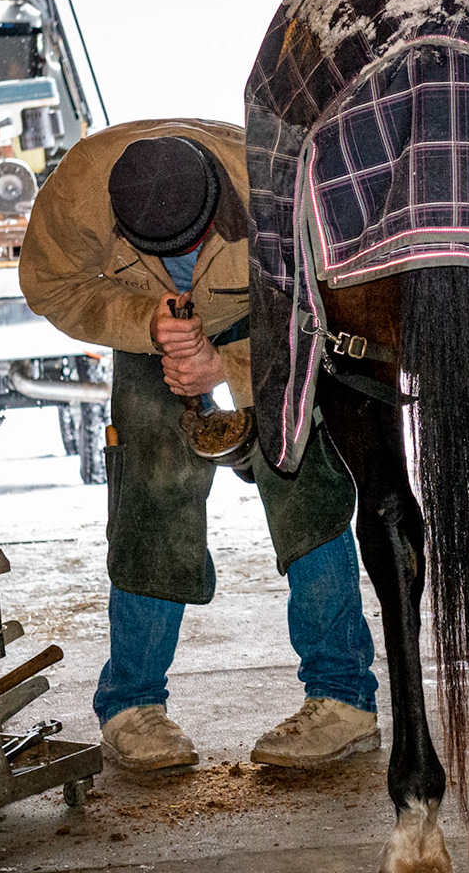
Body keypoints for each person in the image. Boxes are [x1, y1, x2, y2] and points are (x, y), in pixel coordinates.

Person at [20, 118, 379, 771]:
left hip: (270, 321)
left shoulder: (283, 192)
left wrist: (230, 371)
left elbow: (334, 310)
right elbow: (49, 286)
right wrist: (146, 322)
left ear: (218, 206)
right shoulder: (77, 193)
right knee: (152, 495)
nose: (176, 258)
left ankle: (344, 697)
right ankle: (131, 705)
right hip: (149, 325)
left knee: (303, 482)